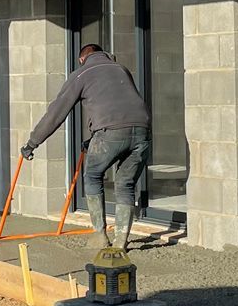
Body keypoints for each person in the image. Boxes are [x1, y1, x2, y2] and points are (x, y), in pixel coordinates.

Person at [22, 43, 150, 251]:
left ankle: (100, 235)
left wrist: (32, 143)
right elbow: (118, 106)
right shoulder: (121, 69)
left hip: (110, 133)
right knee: (125, 184)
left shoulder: (82, 74)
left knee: (92, 176)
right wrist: (95, 138)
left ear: (82, 59)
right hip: (142, 131)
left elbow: (56, 113)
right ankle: (120, 241)